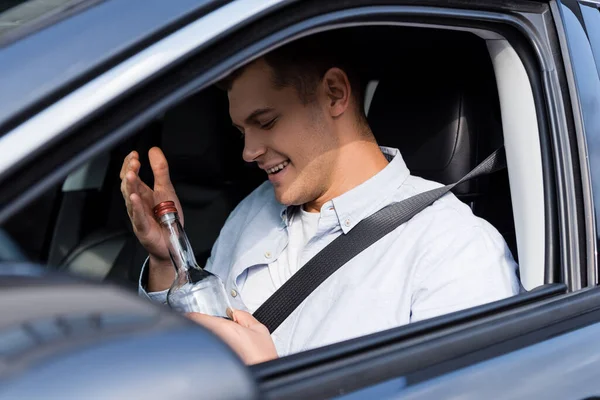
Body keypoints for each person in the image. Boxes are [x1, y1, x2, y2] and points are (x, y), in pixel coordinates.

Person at [120, 35, 522, 365]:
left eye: (265, 122)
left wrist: (272, 379)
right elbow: (196, 350)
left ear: (334, 93)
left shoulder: (454, 251)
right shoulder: (252, 210)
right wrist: (169, 258)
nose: (249, 151)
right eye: (242, 130)